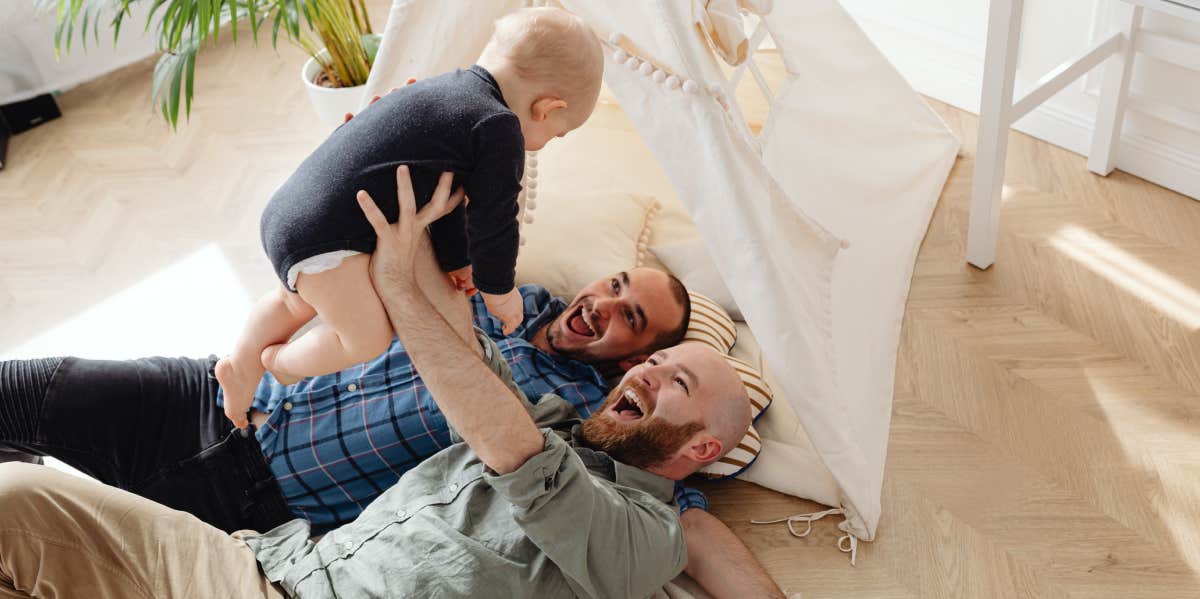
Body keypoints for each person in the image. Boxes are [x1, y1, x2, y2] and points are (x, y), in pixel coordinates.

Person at [0, 166, 776, 598]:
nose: (638, 358)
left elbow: (522, 460)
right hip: (265, 536)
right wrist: (397, 195)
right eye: (614, 286)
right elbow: (466, 350)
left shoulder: (645, 530)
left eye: (659, 360)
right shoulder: (537, 369)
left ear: (702, 441)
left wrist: (405, 287)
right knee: (19, 475)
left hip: (255, 502)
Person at [216, 6, 606, 427]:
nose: (543, 145)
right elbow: (495, 221)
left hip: (291, 213)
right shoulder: (500, 128)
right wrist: (500, 292)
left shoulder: (447, 91)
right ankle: (280, 364)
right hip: (333, 237)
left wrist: (458, 262)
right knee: (366, 338)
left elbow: (443, 200)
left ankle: (240, 363)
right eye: (555, 134)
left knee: (290, 302)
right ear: (547, 108)